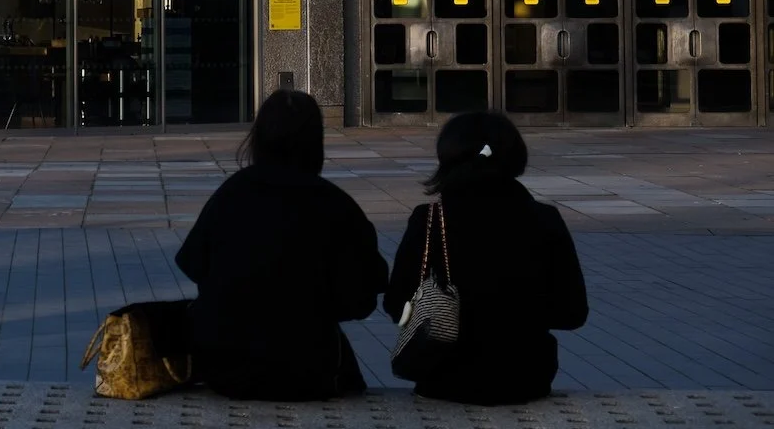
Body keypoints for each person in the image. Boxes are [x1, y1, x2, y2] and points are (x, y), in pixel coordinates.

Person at [175, 89, 389, 400]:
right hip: (308, 370)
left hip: (225, 366)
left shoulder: (232, 195)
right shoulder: (334, 204)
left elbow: (194, 264)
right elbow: (361, 298)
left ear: (258, 137)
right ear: (316, 141)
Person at [384, 112, 588, 405]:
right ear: (515, 156)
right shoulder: (544, 219)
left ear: (448, 156)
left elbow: (396, 304)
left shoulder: (429, 220)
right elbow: (573, 313)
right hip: (524, 378)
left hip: (441, 377)